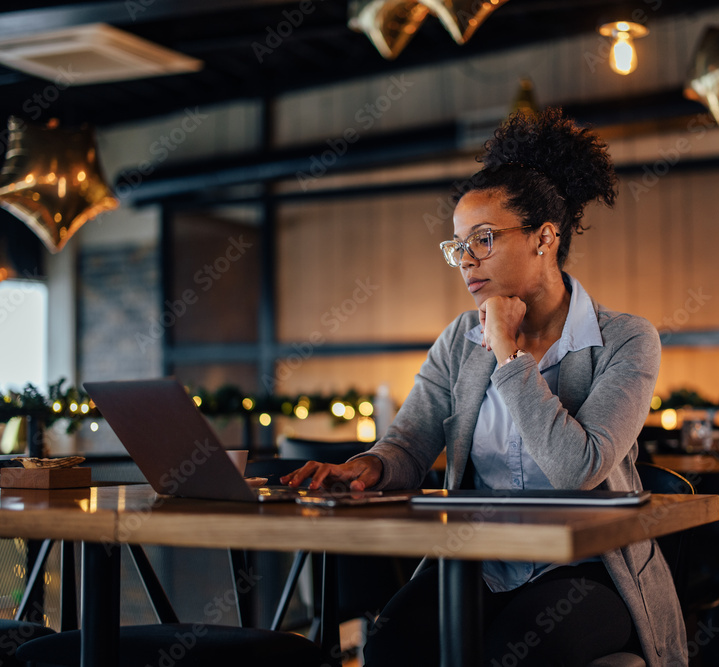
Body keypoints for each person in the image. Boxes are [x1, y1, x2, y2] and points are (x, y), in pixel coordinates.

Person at [281, 107, 686, 667]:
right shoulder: (457, 340)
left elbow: (577, 470)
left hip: (587, 569)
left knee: (510, 654)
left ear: (545, 237)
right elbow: (410, 440)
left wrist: (506, 353)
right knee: (391, 645)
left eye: (484, 239)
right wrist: (370, 466)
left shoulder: (625, 340)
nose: (466, 260)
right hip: (482, 563)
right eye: (457, 246)